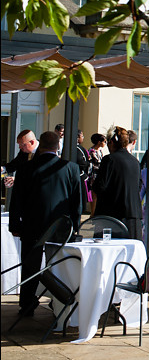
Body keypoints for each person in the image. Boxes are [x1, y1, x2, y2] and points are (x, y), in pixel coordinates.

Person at [8, 131, 83, 316]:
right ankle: (58, 301)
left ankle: (26, 304)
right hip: (60, 227)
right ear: (58, 147)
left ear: (40, 146)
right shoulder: (71, 168)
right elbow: (77, 203)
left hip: (32, 225)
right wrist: (74, 226)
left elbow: (16, 200)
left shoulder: (26, 169)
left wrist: (15, 225)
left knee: (29, 266)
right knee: (59, 265)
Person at [92, 126, 142, 239]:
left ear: (111, 142)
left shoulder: (109, 160)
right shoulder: (135, 162)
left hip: (111, 216)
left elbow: (100, 186)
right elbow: (138, 186)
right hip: (133, 216)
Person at [86, 133, 107, 214]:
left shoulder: (100, 151)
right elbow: (95, 163)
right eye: (104, 141)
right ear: (99, 142)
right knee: (94, 195)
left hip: (99, 174)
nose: (105, 143)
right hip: (93, 174)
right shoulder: (92, 151)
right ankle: (93, 213)